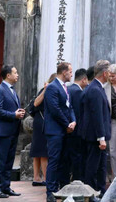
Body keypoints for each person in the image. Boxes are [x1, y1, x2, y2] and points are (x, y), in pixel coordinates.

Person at [0, 65, 26, 199]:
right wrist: (13, 115)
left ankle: (5, 187)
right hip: (4, 132)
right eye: (15, 73)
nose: (17, 75)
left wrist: (19, 113)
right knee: (1, 160)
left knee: (9, 160)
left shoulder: (12, 91)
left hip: (13, 131)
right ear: (8, 75)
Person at [43, 62, 77, 202]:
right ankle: (50, 191)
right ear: (64, 72)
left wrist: (73, 121)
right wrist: (66, 124)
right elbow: (55, 109)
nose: (71, 74)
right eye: (70, 71)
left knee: (64, 160)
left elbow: (70, 107)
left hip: (65, 129)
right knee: (54, 160)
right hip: (55, 131)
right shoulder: (52, 87)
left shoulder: (65, 87)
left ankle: (63, 187)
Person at [79, 60, 112, 196]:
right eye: (109, 72)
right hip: (95, 137)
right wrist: (101, 138)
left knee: (101, 167)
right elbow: (96, 115)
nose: (111, 75)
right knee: (93, 166)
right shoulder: (95, 89)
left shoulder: (96, 88)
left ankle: (100, 192)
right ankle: (91, 193)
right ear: (104, 73)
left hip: (97, 135)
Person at [28, 74, 56, 188]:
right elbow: (35, 104)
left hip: (40, 122)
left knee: (38, 152)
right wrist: (45, 90)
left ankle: (37, 177)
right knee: (43, 152)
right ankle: (44, 177)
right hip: (42, 123)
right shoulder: (45, 90)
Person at [66, 67, 89, 182]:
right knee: (77, 158)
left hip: (66, 129)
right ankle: (77, 181)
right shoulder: (79, 92)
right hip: (77, 131)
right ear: (84, 79)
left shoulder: (67, 89)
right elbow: (80, 114)